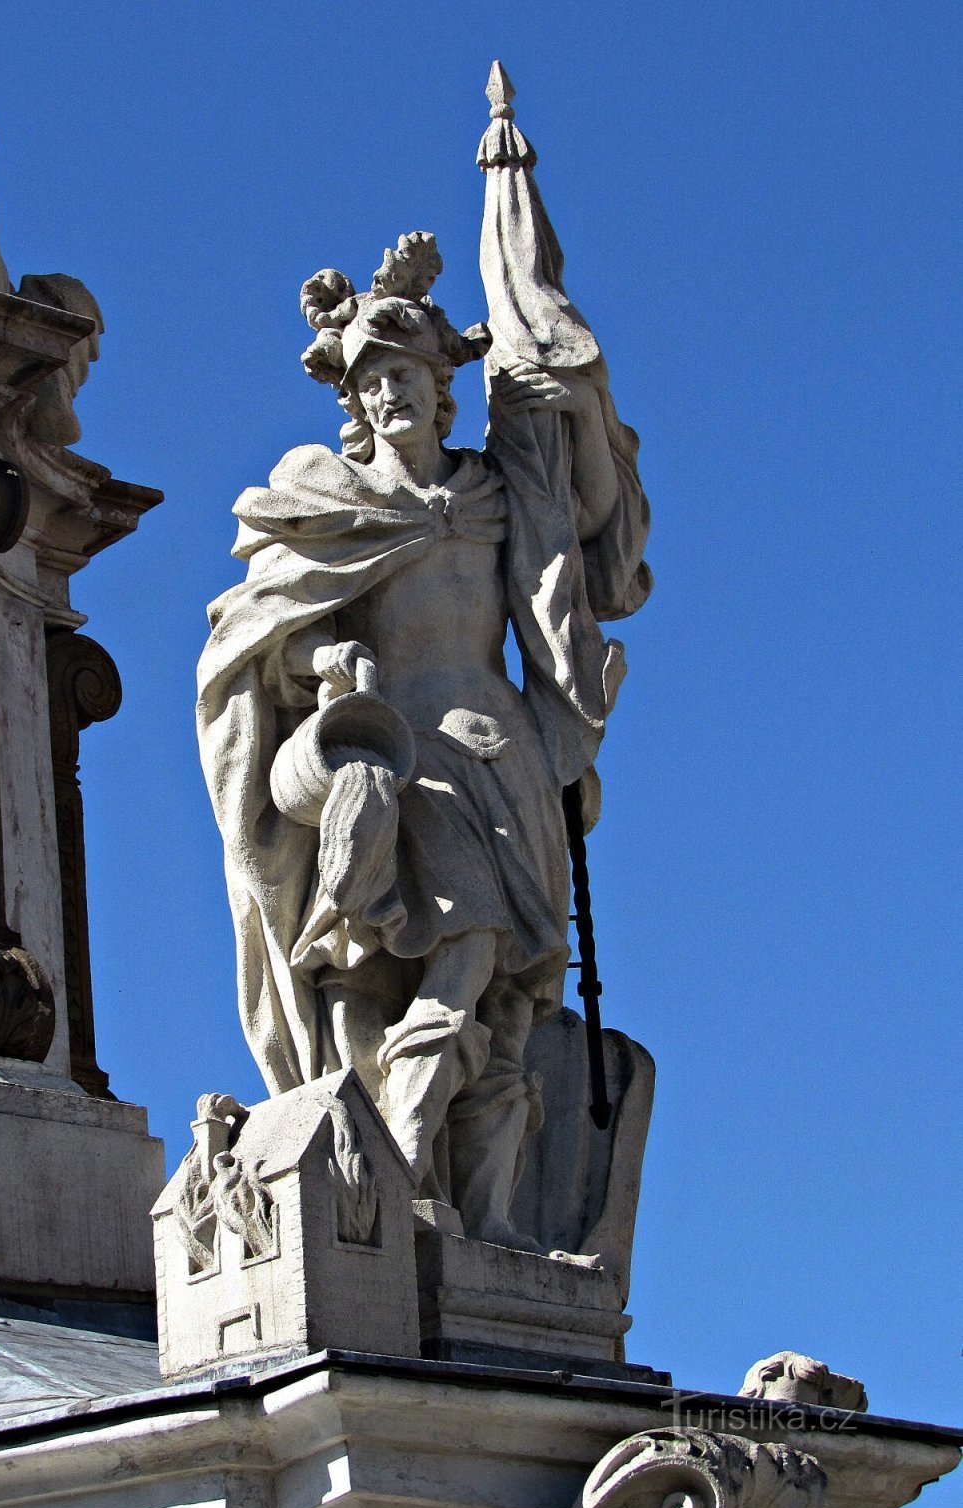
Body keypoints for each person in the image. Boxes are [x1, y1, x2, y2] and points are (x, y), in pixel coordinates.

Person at [198, 232, 649, 1247]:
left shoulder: (494, 493)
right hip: (403, 757)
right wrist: (326, 665)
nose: (387, 395)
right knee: (462, 941)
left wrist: (569, 388)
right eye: (370, 384)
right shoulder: (331, 497)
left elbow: (585, 520)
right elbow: (267, 631)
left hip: (508, 755)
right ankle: (399, 1158)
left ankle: (486, 1215)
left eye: (403, 375)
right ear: (353, 404)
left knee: (514, 993)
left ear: (440, 387)